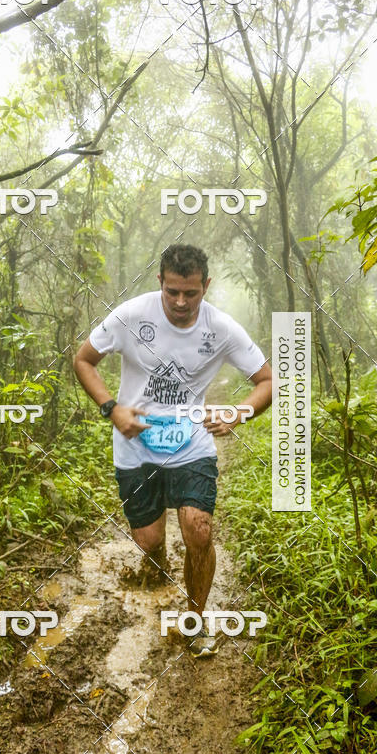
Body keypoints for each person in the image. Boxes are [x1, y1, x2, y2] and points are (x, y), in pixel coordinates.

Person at [73, 244, 272, 656]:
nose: (181, 302)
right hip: (135, 445)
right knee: (146, 539)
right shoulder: (130, 316)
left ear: (206, 287)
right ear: (160, 283)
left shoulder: (222, 329)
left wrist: (239, 413)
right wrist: (112, 409)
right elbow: (84, 360)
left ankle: (195, 623)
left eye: (192, 293)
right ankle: (156, 554)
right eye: (173, 292)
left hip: (191, 445)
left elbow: (267, 380)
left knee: (198, 531)